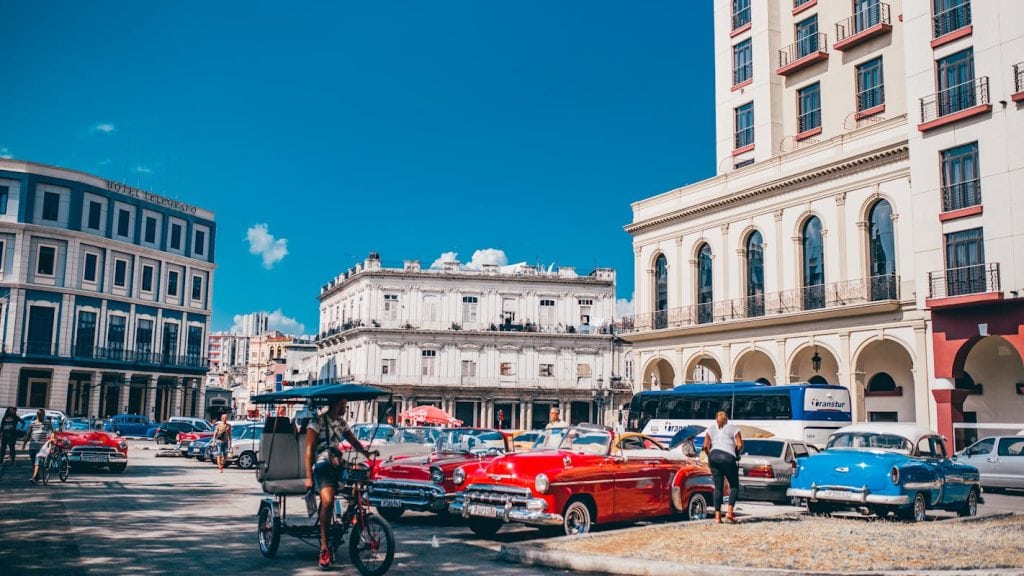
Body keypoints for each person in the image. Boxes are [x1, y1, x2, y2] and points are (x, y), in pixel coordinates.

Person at [305, 398, 377, 569]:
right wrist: (308, 476)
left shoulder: (341, 423)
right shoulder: (317, 421)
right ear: (337, 404)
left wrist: (366, 454)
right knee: (328, 501)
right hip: (323, 464)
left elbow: (353, 441)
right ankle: (324, 546)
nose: (346, 407)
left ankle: (349, 516)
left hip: (338, 462)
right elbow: (308, 450)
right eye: (344, 404)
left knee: (359, 480)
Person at [703, 410, 743, 523]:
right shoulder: (733, 428)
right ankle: (729, 512)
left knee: (718, 487)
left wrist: (710, 456)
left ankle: (717, 517)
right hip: (728, 457)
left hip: (714, 456)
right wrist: (736, 454)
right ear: (727, 419)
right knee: (734, 485)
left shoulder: (710, 429)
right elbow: (740, 444)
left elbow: (705, 446)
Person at [22, 409, 54, 484]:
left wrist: (52, 438)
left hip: (42, 446)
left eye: (42, 414)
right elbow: (28, 434)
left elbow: (52, 431)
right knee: (33, 462)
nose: (41, 416)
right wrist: (24, 444)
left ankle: (34, 477)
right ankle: (37, 476)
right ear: (37, 415)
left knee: (37, 461)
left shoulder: (47, 422)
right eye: (39, 414)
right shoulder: (32, 423)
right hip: (32, 445)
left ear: (44, 415)